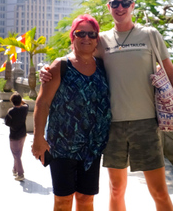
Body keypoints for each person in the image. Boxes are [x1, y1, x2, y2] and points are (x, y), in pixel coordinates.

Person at [41, 0, 173, 211]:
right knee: (115, 189)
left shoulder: (150, 35)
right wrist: (49, 68)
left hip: (145, 123)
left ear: (132, 5)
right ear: (109, 6)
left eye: (125, 3)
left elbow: (171, 72)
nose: (120, 7)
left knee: (159, 191)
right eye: (115, 3)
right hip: (112, 125)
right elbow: (79, 53)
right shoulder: (102, 40)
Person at [32, 14, 112, 211]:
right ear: (72, 36)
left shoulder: (103, 66)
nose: (86, 37)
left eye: (91, 34)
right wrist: (37, 138)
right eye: (80, 33)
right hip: (62, 145)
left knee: (86, 199)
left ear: (97, 39)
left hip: (92, 146)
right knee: (63, 200)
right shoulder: (61, 66)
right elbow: (42, 104)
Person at [5, 92, 29, 181]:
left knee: (16, 154)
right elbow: (26, 104)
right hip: (23, 134)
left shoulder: (11, 112)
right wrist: (21, 100)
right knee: (18, 154)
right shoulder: (25, 109)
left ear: (12, 101)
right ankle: (15, 169)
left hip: (14, 135)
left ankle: (20, 173)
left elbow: (7, 123)